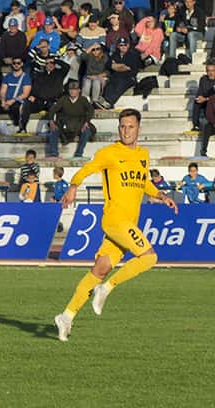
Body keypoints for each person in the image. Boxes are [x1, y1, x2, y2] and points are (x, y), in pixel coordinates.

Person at [55, 109, 179, 342]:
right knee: (149, 257)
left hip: (127, 223)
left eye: (130, 126)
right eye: (122, 126)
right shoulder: (109, 153)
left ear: (138, 128)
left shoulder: (143, 154)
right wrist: (73, 186)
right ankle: (107, 288)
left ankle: (66, 315)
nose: (126, 130)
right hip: (114, 219)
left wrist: (161, 195)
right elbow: (87, 169)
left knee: (100, 268)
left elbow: (143, 183)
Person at [46, 81, 95, 159]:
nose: (72, 91)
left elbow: (91, 110)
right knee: (53, 130)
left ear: (79, 91)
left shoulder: (83, 99)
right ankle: (53, 153)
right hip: (65, 123)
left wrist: (87, 122)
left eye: (75, 89)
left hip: (79, 123)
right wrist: (51, 120)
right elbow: (53, 109)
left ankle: (79, 153)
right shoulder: (63, 99)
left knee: (87, 131)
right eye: (71, 89)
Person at [94, 37, 139, 110]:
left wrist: (116, 66)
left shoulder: (133, 55)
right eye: (121, 45)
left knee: (120, 84)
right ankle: (104, 101)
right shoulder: (115, 55)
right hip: (116, 76)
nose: (123, 47)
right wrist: (121, 66)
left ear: (128, 45)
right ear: (118, 46)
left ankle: (109, 102)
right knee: (110, 83)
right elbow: (109, 65)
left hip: (129, 78)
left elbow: (128, 68)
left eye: (125, 45)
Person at [192, 61, 215, 132]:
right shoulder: (203, 79)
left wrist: (206, 99)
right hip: (206, 101)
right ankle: (196, 125)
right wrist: (199, 98)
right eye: (208, 71)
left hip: (213, 102)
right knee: (196, 102)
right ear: (206, 71)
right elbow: (200, 91)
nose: (210, 73)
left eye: (213, 71)